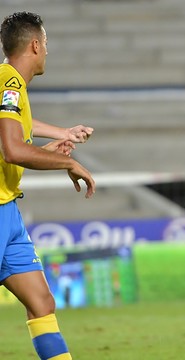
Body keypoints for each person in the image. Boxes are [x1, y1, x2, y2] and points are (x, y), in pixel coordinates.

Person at [0, 11, 96, 360]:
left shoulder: (12, 86)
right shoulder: (8, 82)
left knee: (41, 302)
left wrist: (62, 135)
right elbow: (12, 150)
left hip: (8, 212)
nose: (47, 52)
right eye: (47, 44)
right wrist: (68, 161)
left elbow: (19, 131)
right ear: (35, 45)